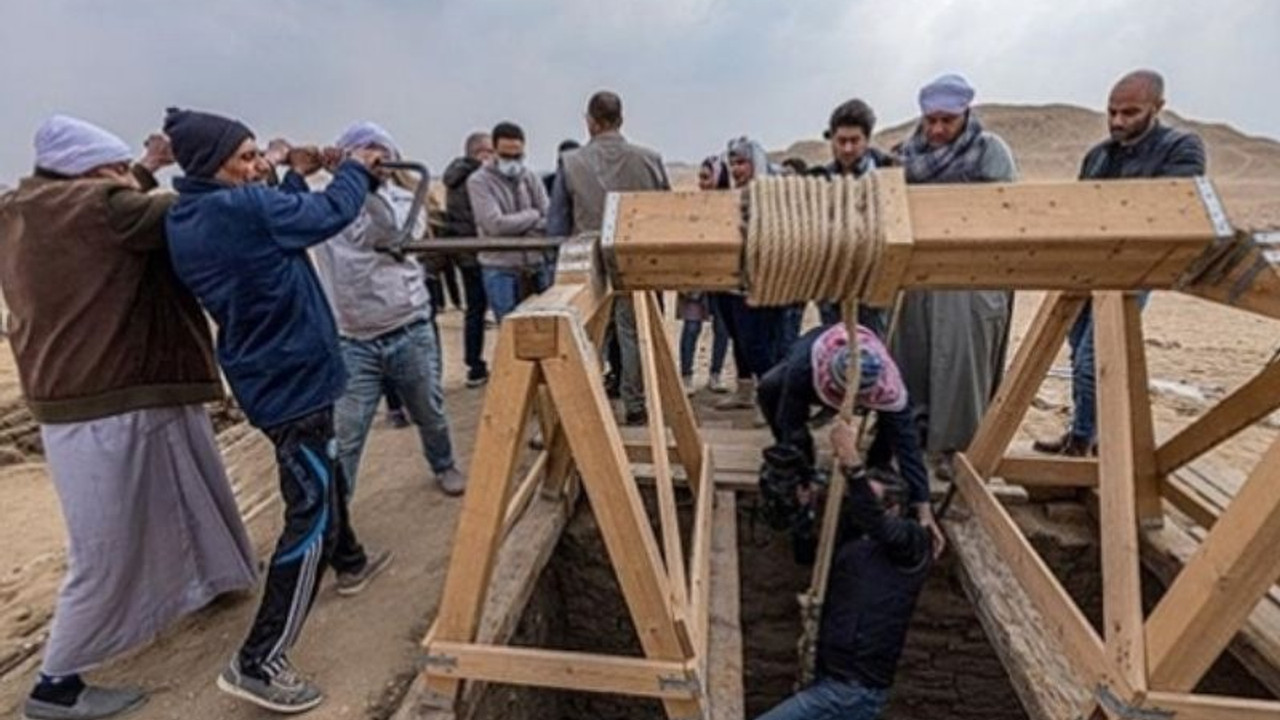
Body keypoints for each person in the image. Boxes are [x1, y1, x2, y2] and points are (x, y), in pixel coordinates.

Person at [0, 115, 257, 720]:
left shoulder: (24, 206)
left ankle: (216, 580)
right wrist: (250, 177)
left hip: (85, 392)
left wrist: (143, 163)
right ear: (92, 174)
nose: (125, 181)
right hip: (114, 393)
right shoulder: (104, 207)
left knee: (192, 486)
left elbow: (105, 203)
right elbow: (179, 214)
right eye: (116, 173)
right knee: (105, 547)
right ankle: (54, 686)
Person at [164, 107, 393, 713]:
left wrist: (292, 173)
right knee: (309, 513)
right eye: (246, 157)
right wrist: (357, 172)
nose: (258, 162)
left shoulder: (194, 213)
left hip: (272, 375)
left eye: (257, 151)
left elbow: (274, 228)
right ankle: (258, 659)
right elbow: (326, 215)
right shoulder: (241, 210)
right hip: (294, 383)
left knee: (327, 469)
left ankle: (351, 560)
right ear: (213, 166)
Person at [1034, 70, 1207, 457]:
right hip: (1089, 266)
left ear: (1157, 108)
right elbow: (1081, 210)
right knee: (1078, 350)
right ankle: (1084, 434)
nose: (1117, 122)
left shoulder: (1181, 147)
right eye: (1112, 112)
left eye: (1129, 113)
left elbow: (1171, 208)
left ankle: (1089, 442)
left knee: (1095, 360)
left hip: (1135, 268)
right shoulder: (1099, 155)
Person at [313, 121, 465, 497]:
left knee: (429, 411)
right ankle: (336, 515)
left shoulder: (402, 201)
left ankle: (443, 463)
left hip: (407, 328)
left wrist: (364, 185)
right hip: (353, 339)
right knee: (346, 435)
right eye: (363, 151)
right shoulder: (324, 203)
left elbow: (388, 235)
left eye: (379, 152)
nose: (374, 159)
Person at [755, 418, 933, 720]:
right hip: (833, 682)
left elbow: (877, 523)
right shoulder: (855, 539)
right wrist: (805, 510)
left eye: (866, 499)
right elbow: (807, 556)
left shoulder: (912, 541)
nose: (856, 505)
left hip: (852, 689)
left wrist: (852, 462)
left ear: (893, 509)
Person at [892, 74, 1019, 478]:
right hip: (919, 280)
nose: (938, 129)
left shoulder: (990, 152)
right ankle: (910, 444)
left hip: (972, 281)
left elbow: (1003, 213)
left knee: (962, 363)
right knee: (913, 359)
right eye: (931, 120)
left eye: (947, 120)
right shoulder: (905, 156)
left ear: (965, 114)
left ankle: (957, 451)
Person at [547, 91, 670, 426]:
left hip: (587, 261)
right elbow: (666, 214)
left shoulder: (571, 162)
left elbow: (556, 224)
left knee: (591, 336)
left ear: (590, 121)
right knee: (634, 334)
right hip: (637, 260)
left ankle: (590, 408)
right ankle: (635, 404)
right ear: (621, 119)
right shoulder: (650, 159)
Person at [756, 323, 938, 541]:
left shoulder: (889, 385)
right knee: (769, 388)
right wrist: (805, 475)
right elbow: (791, 423)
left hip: (867, 385)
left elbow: (908, 447)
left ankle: (879, 462)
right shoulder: (803, 368)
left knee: (897, 426)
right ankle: (799, 463)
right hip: (814, 357)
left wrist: (923, 506)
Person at [713, 137, 795, 412]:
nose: (736, 169)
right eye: (733, 163)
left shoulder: (773, 194)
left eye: (742, 162)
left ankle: (771, 398)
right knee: (740, 340)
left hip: (764, 283)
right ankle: (745, 392)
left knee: (758, 344)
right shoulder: (732, 195)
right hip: (732, 282)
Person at [813, 99, 897, 333]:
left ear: (867, 140)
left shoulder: (890, 176)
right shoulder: (819, 181)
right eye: (841, 141)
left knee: (875, 353)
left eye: (854, 141)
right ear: (832, 141)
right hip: (832, 287)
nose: (847, 148)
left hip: (876, 285)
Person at [467, 121, 551, 323]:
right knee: (509, 333)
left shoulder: (530, 177)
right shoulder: (479, 181)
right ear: (494, 151)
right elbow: (494, 224)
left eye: (517, 156)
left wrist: (523, 224)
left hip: (535, 265)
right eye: (506, 156)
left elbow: (548, 217)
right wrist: (531, 215)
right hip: (500, 269)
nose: (512, 161)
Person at [442, 131, 496, 387]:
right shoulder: (477, 179)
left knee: (474, 311)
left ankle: (474, 365)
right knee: (496, 308)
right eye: (490, 150)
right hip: (484, 252)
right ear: (479, 153)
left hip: (466, 255)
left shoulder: (454, 178)